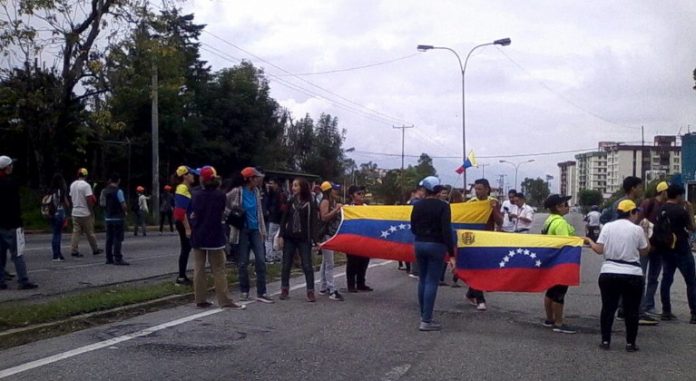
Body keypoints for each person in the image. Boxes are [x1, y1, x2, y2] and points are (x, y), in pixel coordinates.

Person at [585, 199, 648, 351]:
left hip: (609, 272)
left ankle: (605, 341)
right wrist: (645, 232)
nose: (636, 216)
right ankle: (630, 344)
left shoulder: (607, 227)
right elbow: (645, 251)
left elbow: (599, 249)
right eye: (635, 212)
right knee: (631, 310)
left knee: (608, 308)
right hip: (632, 274)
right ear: (632, 212)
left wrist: (589, 241)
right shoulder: (637, 229)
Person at [190, 166, 245, 310]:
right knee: (219, 269)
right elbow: (222, 213)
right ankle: (224, 300)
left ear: (202, 178)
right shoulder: (220, 195)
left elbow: (193, 214)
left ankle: (200, 299)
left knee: (199, 268)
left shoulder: (195, 194)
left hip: (198, 235)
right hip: (215, 235)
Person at [411, 176, 454, 331]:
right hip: (436, 246)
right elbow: (446, 231)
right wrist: (452, 253)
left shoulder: (417, 205)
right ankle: (426, 321)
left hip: (419, 244)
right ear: (437, 190)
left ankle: (424, 315)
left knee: (422, 280)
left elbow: (413, 227)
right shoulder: (443, 206)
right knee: (431, 281)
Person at [228, 167, 273, 303]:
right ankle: (244, 290)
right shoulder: (238, 192)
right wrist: (230, 216)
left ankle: (262, 291)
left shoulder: (256, 192)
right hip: (242, 231)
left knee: (260, 260)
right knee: (243, 262)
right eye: (256, 177)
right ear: (250, 179)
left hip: (255, 230)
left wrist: (262, 230)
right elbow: (224, 203)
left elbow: (259, 213)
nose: (258, 179)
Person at [657, 184, 696, 324]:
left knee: (666, 280)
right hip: (682, 249)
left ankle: (666, 311)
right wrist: (690, 211)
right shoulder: (681, 210)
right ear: (679, 195)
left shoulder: (661, 209)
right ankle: (694, 313)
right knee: (691, 281)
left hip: (666, 249)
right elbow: (692, 227)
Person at [464, 178, 504, 311]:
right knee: (477, 270)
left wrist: (493, 209)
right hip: (472, 241)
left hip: (486, 240)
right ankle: (480, 299)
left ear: (487, 189)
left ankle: (471, 293)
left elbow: (499, 221)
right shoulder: (471, 202)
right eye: (476, 188)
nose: (477, 191)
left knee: (482, 269)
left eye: (480, 189)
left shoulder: (493, 202)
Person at [541, 194, 578, 334]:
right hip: (561, 263)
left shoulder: (549, 220)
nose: (568, 206)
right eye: (565, 204)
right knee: (559, 293)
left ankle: (549, 319)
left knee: (550, 292)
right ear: (558, 207)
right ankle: (559, 323)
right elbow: (566, 243)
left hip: (551, 262)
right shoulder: (560, 223)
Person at [0, 155, 38, 289]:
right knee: (17, 254)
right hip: (12, 223)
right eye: (10, 165)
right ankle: (23, 280)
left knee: (0, 255)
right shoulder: (12, 183)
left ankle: (1, 281)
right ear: (6, 168)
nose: (12, 167)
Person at [278, 178, 319, 302]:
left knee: (307, 265)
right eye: (293, 185)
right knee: (286, 265)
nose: (293, 188)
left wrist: (315, 240)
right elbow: (284, 219)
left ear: (302, 187)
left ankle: (310, 291)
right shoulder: (291, 201)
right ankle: (284, 289)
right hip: (290, 237)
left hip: (304, 239)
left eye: (296, 185)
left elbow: (313, 223)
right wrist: (281, 235)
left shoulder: (310, 203)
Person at [318, 181, 344, 301]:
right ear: (329, 191)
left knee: (325, 261)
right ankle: (332, 289)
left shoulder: (330, 201)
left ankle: (323, 287)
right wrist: (336, 210)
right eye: (334, 190)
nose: (337, 192)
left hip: (328, 234)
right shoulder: (325, 201)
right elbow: (324, 217)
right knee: (330, 263)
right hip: (325, 234)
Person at [345, 184, 373, 292]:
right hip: (352, 239)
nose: (361, 195)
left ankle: (361, 283)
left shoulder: (366, 207)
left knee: (364, 261)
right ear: (352, 196)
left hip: (365, 239)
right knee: (352, 262)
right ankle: (351, 285)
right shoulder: (348, 208)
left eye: (362, 193)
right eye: (358, 193)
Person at [68, 168, 102, 257]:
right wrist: (91, 211)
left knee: (76, 232)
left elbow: (71, 198)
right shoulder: (86, 186)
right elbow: (89, 199)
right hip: (85, 212)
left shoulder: (72, 185)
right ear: (86, 175)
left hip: (75, 211)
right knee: (90, 232)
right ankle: (95, 249)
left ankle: (74, 250)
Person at [173, 165, 198, 286]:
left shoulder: (187, 188)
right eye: (191, 174)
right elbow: (180, 211)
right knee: (185, 248)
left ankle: (182, 275)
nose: (193, 176)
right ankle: (181, 276)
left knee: (187, 249)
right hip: (184, 223)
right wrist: (187, 228)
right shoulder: (182, 188)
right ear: (185, 176)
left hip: (187, 222)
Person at [102, 173, 129, 265]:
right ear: (118, 180)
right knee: (117, 238)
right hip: (117, 217)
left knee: (109, 238)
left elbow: (102, 204)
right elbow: (123, 204)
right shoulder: (119, 191)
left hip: (108, 217)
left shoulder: (105, 191)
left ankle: (109, 258)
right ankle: (118, 258)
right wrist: (125, 211)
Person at [48, 173, 70, 261]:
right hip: (59, 212)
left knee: (54, 233)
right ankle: (56, 255)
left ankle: (56, 253)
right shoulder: (61, 190)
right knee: (58, 234)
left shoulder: (50, 190)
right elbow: (66, 203)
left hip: (52, 213)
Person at [263, 178, 284, 263]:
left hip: (274, 219)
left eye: (272, 183)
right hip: (279, 219)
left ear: (276, 184)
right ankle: (277, 256)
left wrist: (270, 211)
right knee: (276, 237)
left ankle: (270, 257)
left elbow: (272, 206)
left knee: (269, 238)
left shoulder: (275, 194)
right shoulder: (280, 193)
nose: (270, 185)